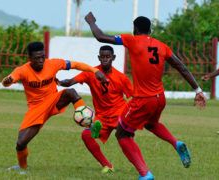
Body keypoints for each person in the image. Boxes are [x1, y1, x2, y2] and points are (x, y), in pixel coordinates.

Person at [85, 12, 206, 179]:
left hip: (143, 99)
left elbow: (100, 37)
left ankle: (145, 173)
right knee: (151, 123)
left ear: (135, 29)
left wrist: (91, 22)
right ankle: (176, 143)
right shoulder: (162, 46)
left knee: (122, 134)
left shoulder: (132, 40)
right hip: (160, 98)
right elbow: (182, 67)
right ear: (150, 30)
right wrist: (198, 90)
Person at [2, 41, 107, 174]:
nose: (41, 61)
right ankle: (22, 168)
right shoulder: (22, 70)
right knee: (20, 143)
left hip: (53, 100)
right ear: (29, 58)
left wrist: (95, 71)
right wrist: (7, 81)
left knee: (70, 92)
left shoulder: (53, 63)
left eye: (42, 57)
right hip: (36, 109)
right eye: (37, 58)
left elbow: (76, 64)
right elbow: (9, 80)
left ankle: (89, 124)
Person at [58, 45, 133, 174]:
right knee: (86, 135)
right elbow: (71, 82)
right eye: (102, 57)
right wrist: (58, 82)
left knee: (126, 140)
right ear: (99, 57)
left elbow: (133, 97)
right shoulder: (91, 73)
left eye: (108, 57)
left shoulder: (121, 78)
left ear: (113, 58)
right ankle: (107, 165)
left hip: (119, 113)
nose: (105, 59)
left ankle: (141, 168)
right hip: (102, 116)